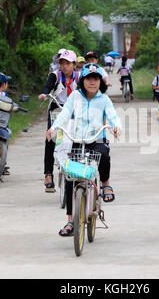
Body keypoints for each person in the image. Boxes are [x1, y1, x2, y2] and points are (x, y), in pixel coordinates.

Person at [46, 63, 122, 237]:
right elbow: (65, 114)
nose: (92, 82)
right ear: (83, 80)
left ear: (100, 82)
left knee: (104, 154)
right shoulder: (75, 96)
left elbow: (112, 116)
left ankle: (105, 185)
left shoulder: (103, 99)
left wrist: (116, 127)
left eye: (96, 78)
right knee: (71, 178)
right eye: (89, 78)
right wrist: (54, 128)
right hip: (77, 141)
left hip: (96, 139)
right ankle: (71, 221)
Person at [38, 50, 80, 192]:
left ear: (74, 64)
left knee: (77, 139)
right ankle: (48, 175)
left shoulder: (79, 77)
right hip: (56, 110)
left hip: (74, 113)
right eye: (62, 63)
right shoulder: (55, 75)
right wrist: (44, 94)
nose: (64, 66)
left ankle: (76, 170)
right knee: (51, 139)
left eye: (67, 63)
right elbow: (47, 87)